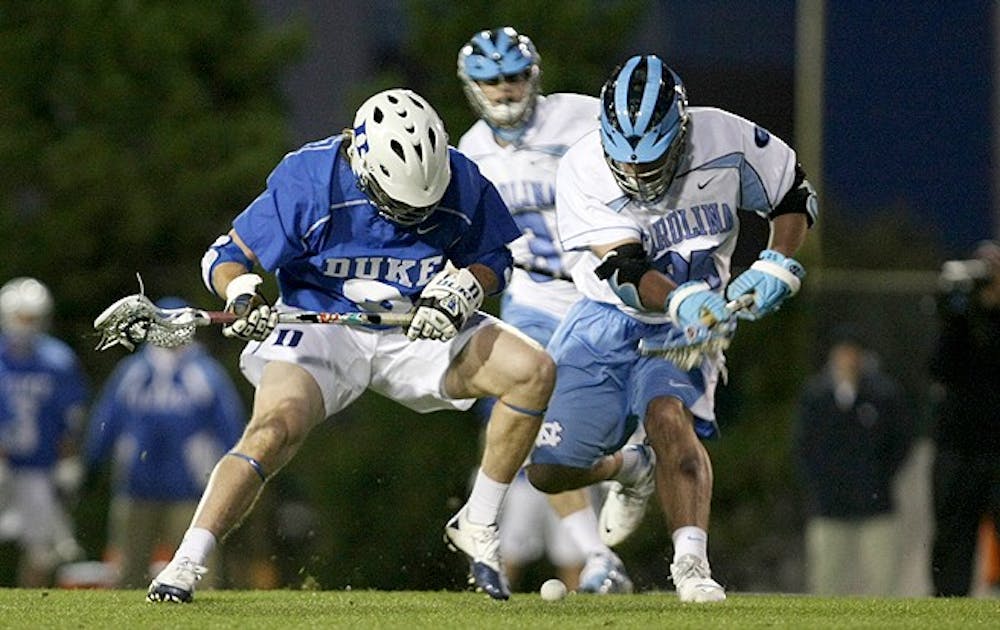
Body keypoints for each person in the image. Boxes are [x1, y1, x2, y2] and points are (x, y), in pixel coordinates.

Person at [146, 88, 554, 603]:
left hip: (414, 326)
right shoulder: (311, 180)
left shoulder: (460, 178)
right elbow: (225, 256)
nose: (407, 218)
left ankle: (478, 521)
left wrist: (464, 288)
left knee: (533, 370)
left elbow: (494, 260)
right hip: (325, 327)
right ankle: (186, 563)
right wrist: (243, 293)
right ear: (363, 167)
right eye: (396, 204)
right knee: (271, 430)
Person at [525, 54, 818, 603]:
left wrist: (778, 261)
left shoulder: (724, 138)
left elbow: (792, 194)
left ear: (681, 131)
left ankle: (691, 565)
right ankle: (629, 466)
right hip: (607, 316)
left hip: (691, 327)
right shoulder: (583, 167)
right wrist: (681, 298)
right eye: (625, 163)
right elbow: (625, 271)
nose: (637, 176)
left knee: (667, 416)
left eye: (651, 161)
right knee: (546, 471)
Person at [456, 26, 631, 594]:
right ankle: (597, 557)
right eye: (491, 80)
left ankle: (631, 479)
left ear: (533, 77)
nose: (504, 90)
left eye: (513, 77)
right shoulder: (469, 151)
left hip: (595, 295)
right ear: (472, 87)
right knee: (536, 425)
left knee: (623, 422)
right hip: (529, 297)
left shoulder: (581, 119)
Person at [84, 296, 246, 589]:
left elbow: (229, 427)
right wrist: (92, 460)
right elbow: (107, 420)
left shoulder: (205, 373)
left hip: (189, 486)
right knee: (128, 571)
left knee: (198, 571)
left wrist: (233, 476)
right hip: (137, 485)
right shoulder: (134, 371)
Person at [794, 325, 914, 595]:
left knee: (883, 583)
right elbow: (805, 448)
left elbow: (900, 443)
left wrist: (879, 480)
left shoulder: (883, 395)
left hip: (875, 504)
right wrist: (820, 485)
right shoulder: (816, 396)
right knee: (827, 581)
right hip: (829, 506)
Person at [0, 277, 88, 587]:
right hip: (2, 463)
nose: (26, 325)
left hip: (38, 466)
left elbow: (70, 418)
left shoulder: (57, 361)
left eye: (32, 318)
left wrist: (68, 460)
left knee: (41, 549)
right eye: (21, 318)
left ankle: (27, 602)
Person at [929, 240, 1000, 597]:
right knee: (953, 530)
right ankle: (948, 601)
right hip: (959, 444)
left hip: (996, 445)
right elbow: (940, 368)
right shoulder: (960, 318)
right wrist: (956, 313)